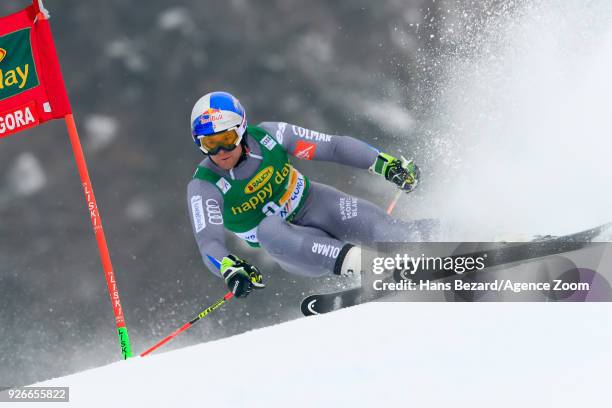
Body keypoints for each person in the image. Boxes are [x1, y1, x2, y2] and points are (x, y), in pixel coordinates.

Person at [187, 91, 433, 298]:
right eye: (209, 144)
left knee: (392, 234)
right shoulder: (204, 186)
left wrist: (386, 166)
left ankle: (452, 236)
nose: (220, 151)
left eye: (227, 139)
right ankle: (370, 266)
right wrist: (230, 268)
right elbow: (209, 243)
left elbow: (333, 147)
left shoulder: (271, 136)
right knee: (268, 229)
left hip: (318, 204)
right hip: (294, 246)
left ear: (241, 130)